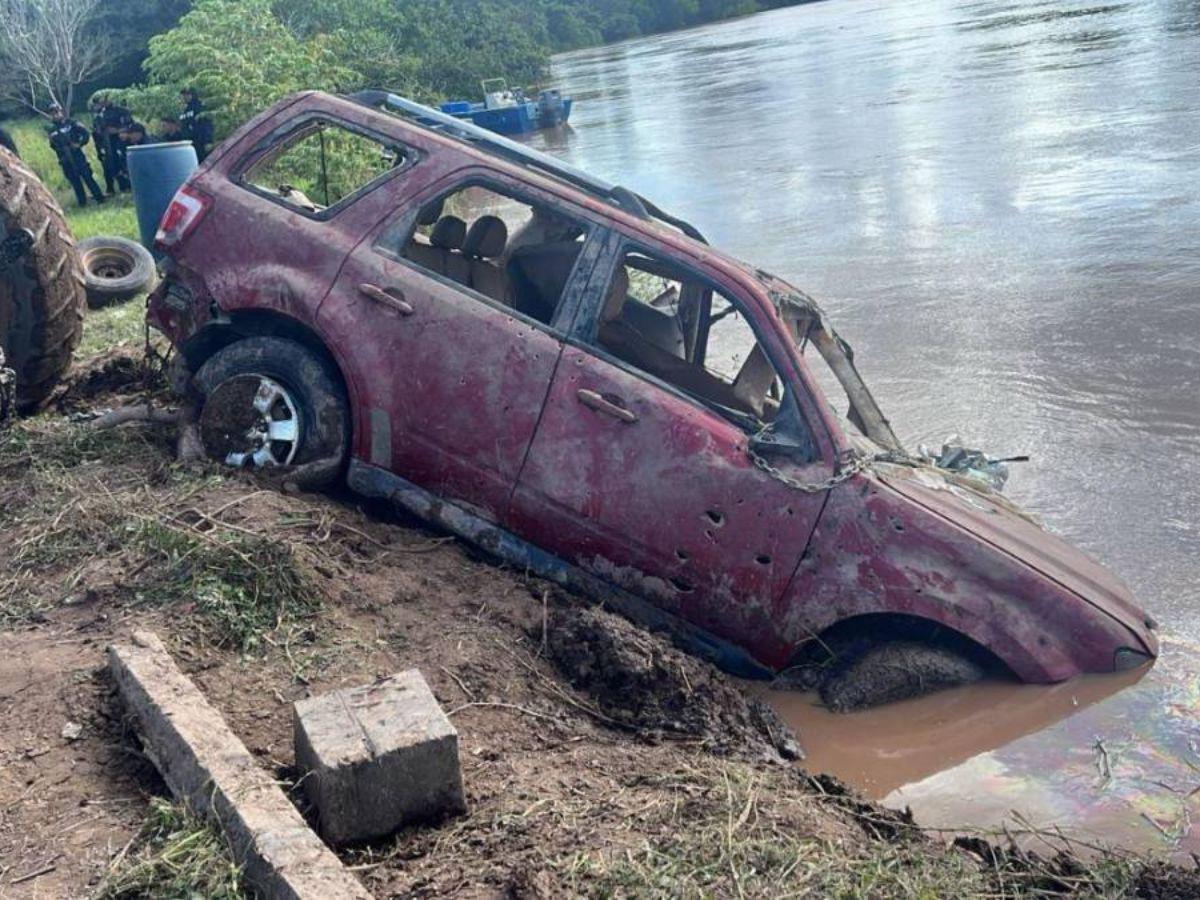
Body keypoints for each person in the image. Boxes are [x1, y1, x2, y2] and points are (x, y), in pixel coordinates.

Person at [46, 105, 105, 207]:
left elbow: (86, 134)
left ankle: (100, 198)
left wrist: (79, 144)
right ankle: (82, 203)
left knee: (87, 177)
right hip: (65, 158)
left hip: (77, 155)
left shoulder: (71, 123)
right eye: (53, 113)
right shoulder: (51, 129)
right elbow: (53, 146)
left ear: (61, 112)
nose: (55, 115)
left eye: (57, 112)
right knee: (75, 181)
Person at [95, 95, 132, 193]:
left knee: (123, 163)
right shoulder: (100, 115)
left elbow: (130, 126)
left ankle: (128, 185)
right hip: (107, 144)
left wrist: (117, 131)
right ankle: (114, 188)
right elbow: (97, 132)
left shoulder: (122, 111)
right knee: (110, 165)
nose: (104, 101)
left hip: (121, 142)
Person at [178, 88, 213, 161]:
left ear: (193, 94)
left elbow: (206, 124)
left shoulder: (200, 107)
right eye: (184, 95)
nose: (185, 97)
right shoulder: (185, 110)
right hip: (189, 144)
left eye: (187, 94)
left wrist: (208, 141)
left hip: (200, 142)